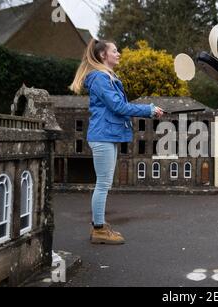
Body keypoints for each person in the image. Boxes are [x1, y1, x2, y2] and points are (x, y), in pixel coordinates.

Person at [70, 39, 164, 245]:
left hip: (107, 135)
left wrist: (150, 110)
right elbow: (119, 107)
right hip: (102, 136)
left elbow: (118, 107)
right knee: (103, 184)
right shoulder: (101, 79)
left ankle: (100, 224)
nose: (118, 53)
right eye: (115, 51)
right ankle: (99, 230)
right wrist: (148, 110)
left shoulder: (106, 78)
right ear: (103, 55)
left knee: (105, 183)